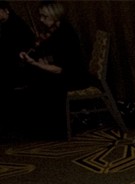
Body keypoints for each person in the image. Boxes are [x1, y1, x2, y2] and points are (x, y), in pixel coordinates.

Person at [16, 1, 88, 137]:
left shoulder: (65, 35)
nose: (41, 20)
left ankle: (52, 126)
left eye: (44, 17)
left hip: (74, 76)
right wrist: (30, 53)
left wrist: (35, 63)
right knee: (35, 77)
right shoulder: (56, 31)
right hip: (66, 73)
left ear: (55, 16)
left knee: (39, 81)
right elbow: (43, 49)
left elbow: (60, 69)